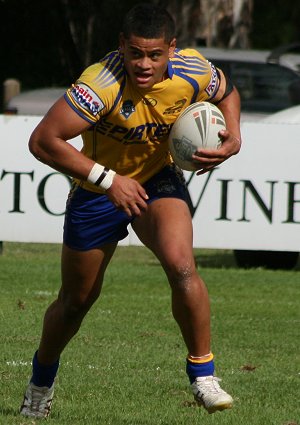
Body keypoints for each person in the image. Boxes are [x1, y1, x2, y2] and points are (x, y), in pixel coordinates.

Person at [20, 2, 241, 419]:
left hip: (156, 180)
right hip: (97, 190)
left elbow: (227, 91)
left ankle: (203, 374)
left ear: (171, 49)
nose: (144, 64)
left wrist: (234, 138)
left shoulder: (193, 70)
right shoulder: (100, 84)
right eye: (135, 52)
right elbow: (43, 141)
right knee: (75, 302)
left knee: (182, 266)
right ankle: (41, 381)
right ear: (121, 45)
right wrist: (109, 181)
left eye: (154, 54)